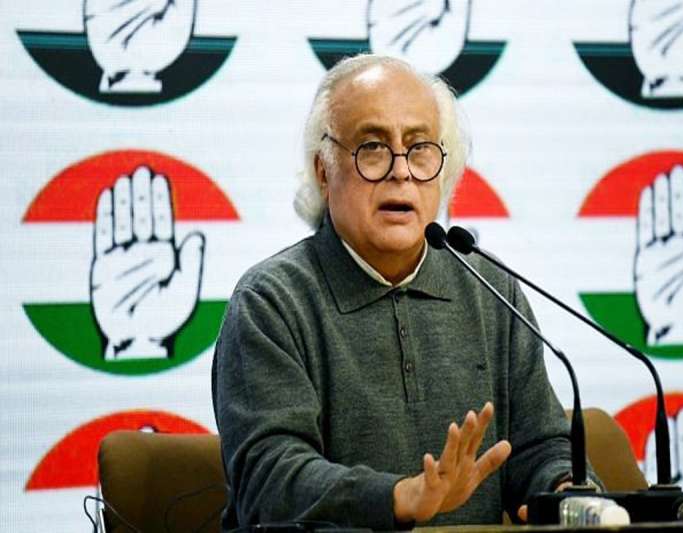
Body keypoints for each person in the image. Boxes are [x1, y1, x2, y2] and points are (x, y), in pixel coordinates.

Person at [212, 54, 595, 531]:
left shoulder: (490, 289)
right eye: (373, 147)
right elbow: (269, 481)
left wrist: (564, 490)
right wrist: (398, 497)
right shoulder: (271, 302)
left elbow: (538, 445)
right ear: (324, 170)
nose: (401, 171)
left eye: (419, 149)